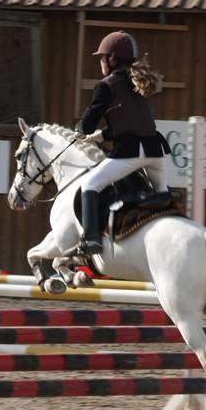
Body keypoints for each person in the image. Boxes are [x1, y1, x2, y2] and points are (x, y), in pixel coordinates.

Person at [75, 30, 169, 255]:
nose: (100, 62)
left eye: (102, 58)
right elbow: (130, 121)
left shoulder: (106, 85)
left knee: (90, 185)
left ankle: (91, 240)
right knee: (162, 195)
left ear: (112, 59)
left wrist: (80, 131)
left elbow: (87, 123)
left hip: (130, 153)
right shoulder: (138, 81)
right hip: (156, 153)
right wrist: (103, 136)